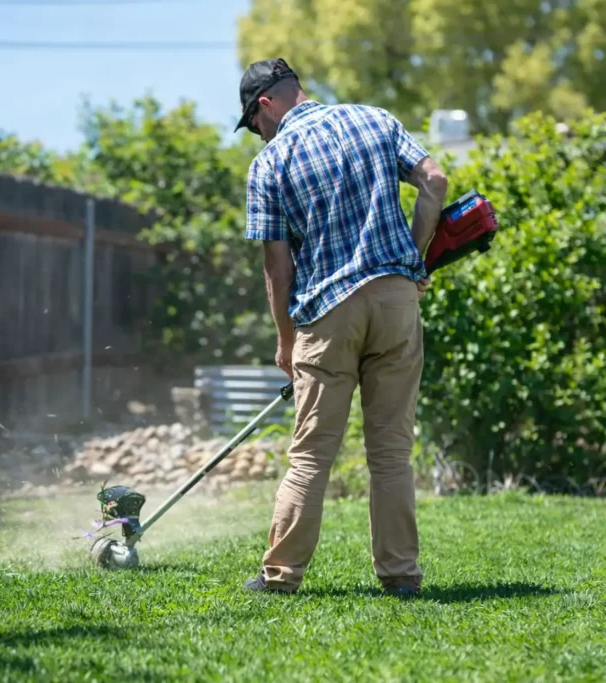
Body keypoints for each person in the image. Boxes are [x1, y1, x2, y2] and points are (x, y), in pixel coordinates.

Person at [234, 58, 448, 597]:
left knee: (311, 454)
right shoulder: (375, 119)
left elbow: (277, 268)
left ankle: (281, 577)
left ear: (266, 105)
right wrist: (414, 260)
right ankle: (400, 576)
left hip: (328, 314)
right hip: (397, 302)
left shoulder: (270, 163)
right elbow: (435, 180)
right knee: (392, 452)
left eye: (254, 124)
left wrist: (286, 342)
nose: (259, 135)